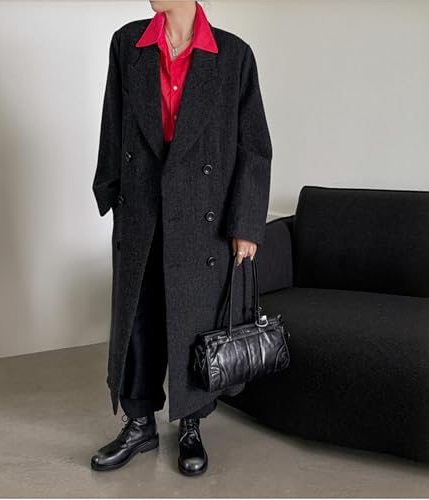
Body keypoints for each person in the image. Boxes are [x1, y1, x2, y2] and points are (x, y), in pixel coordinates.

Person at [91, 0, 272, 476]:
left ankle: (191, 424)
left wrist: (245, 223)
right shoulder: (128, 44)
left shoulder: (233, 55)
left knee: (193, 319)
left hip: (202, 211)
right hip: (142, 204)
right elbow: (114, 119)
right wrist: (110, 189)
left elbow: (253, 146)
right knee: (138, 317)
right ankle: (139, 424)